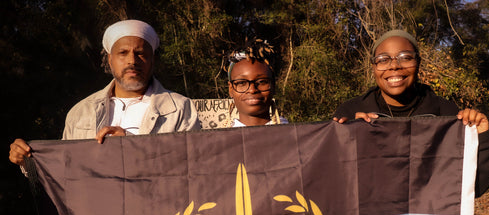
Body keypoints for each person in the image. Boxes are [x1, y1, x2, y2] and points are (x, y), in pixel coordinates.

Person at [9, 19, 200, 168]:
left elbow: (192, 167)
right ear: (110, 60)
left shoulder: (180, 108)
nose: (132, 61)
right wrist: (29, 160)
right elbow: (65, 169)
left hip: (157, 211)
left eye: (141, 53)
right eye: (123, 53)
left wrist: (131, 148)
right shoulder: (81, 112)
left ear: (152, 60)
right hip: (97, 214)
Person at [333, 29, 489, 197]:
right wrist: (342, 140)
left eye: (405, 57)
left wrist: (482, 136)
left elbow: (473, 188)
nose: (394, 65)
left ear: (418, 62)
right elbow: (333, 184)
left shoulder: (446, 114)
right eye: (383, 60)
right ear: (374, 68)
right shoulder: (351, 111)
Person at [222, 39, 288, 128]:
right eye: (242, 83)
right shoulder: (220, 139)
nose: (252, 90)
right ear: (231, 89)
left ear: (273, 86)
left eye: (261, 82)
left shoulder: (293, 135)